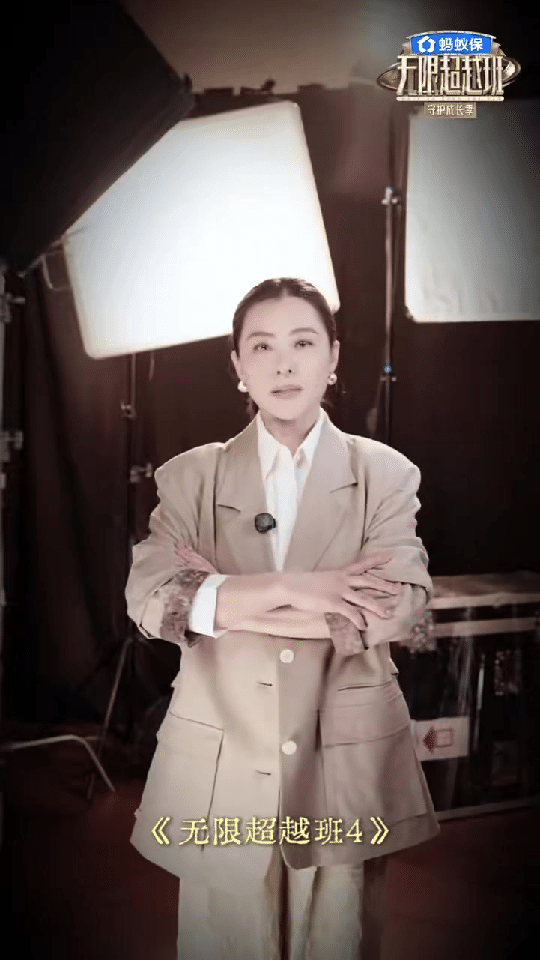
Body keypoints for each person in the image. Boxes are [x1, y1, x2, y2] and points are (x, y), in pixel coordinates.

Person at [125, 277, 440, 960]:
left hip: (346, 755)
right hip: (222, 759)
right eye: (262, 346)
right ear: (238, 365)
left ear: (333, 358)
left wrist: (223, 597)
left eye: (303, 342)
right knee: (224, 937)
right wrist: (306, 588)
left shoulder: (385, 474)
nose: (284, 363)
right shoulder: (192, 476)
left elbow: (400, 603)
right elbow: (151, 598)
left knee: (338, 935)